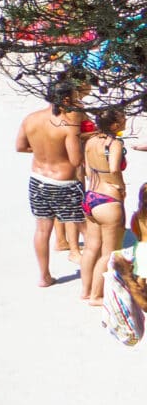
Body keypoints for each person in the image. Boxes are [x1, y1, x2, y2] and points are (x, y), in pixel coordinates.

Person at [17, 77, 89, 286]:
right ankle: (97, 269)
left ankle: (44, 276)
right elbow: (76, 160)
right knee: (84, 227)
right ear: (66, 98)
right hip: (63, 184)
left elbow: (20, 147)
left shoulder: (30, 119)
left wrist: (42, 152)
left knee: (42, 229)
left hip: (38, 180)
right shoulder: (67, 125)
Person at [81, 108, 129, 306]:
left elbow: (86, 169)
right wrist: (120, 186)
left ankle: (85, 291)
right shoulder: (115, 143)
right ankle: (96, 296)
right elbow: (114, 168)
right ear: (115, 126)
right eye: (123, 119)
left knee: (91, 248)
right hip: (108, 200)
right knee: (108, 253)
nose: (126, 121)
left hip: (91, 196)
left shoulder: (90, 141)